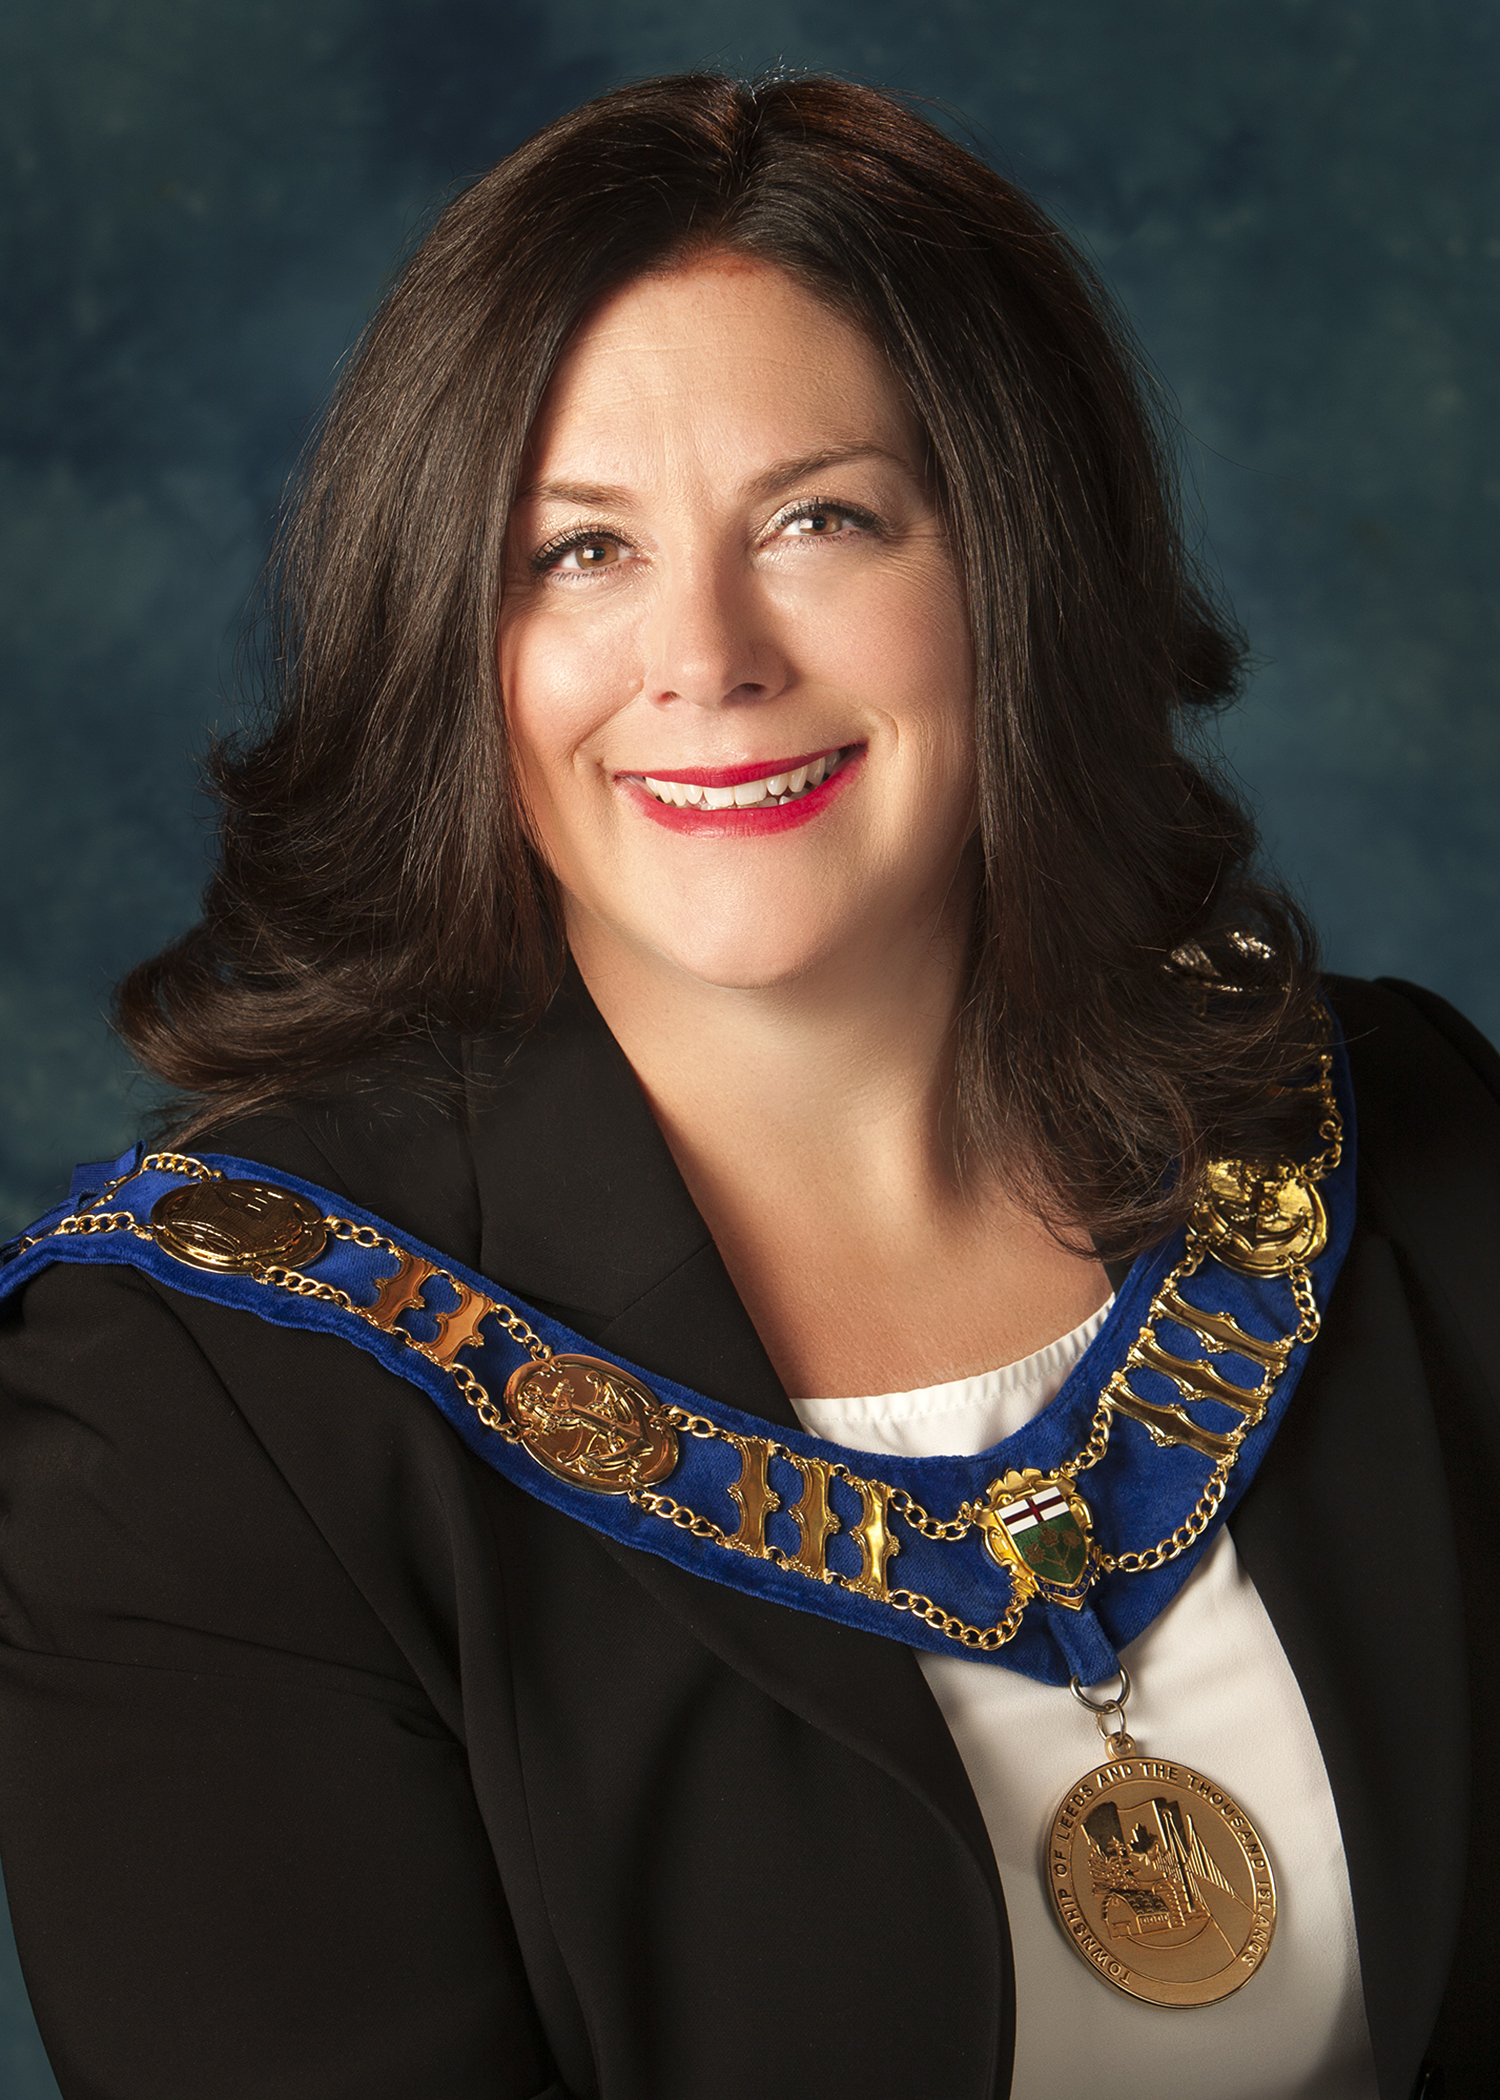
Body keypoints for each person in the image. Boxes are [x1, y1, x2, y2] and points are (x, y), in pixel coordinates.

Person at [0, 71, 1492, 2100]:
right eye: (578, 552)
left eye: (819, 518)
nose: (703, 654)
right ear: (454, 639)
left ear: (1015, 572)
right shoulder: (205, 1397)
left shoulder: (1405, 1143)